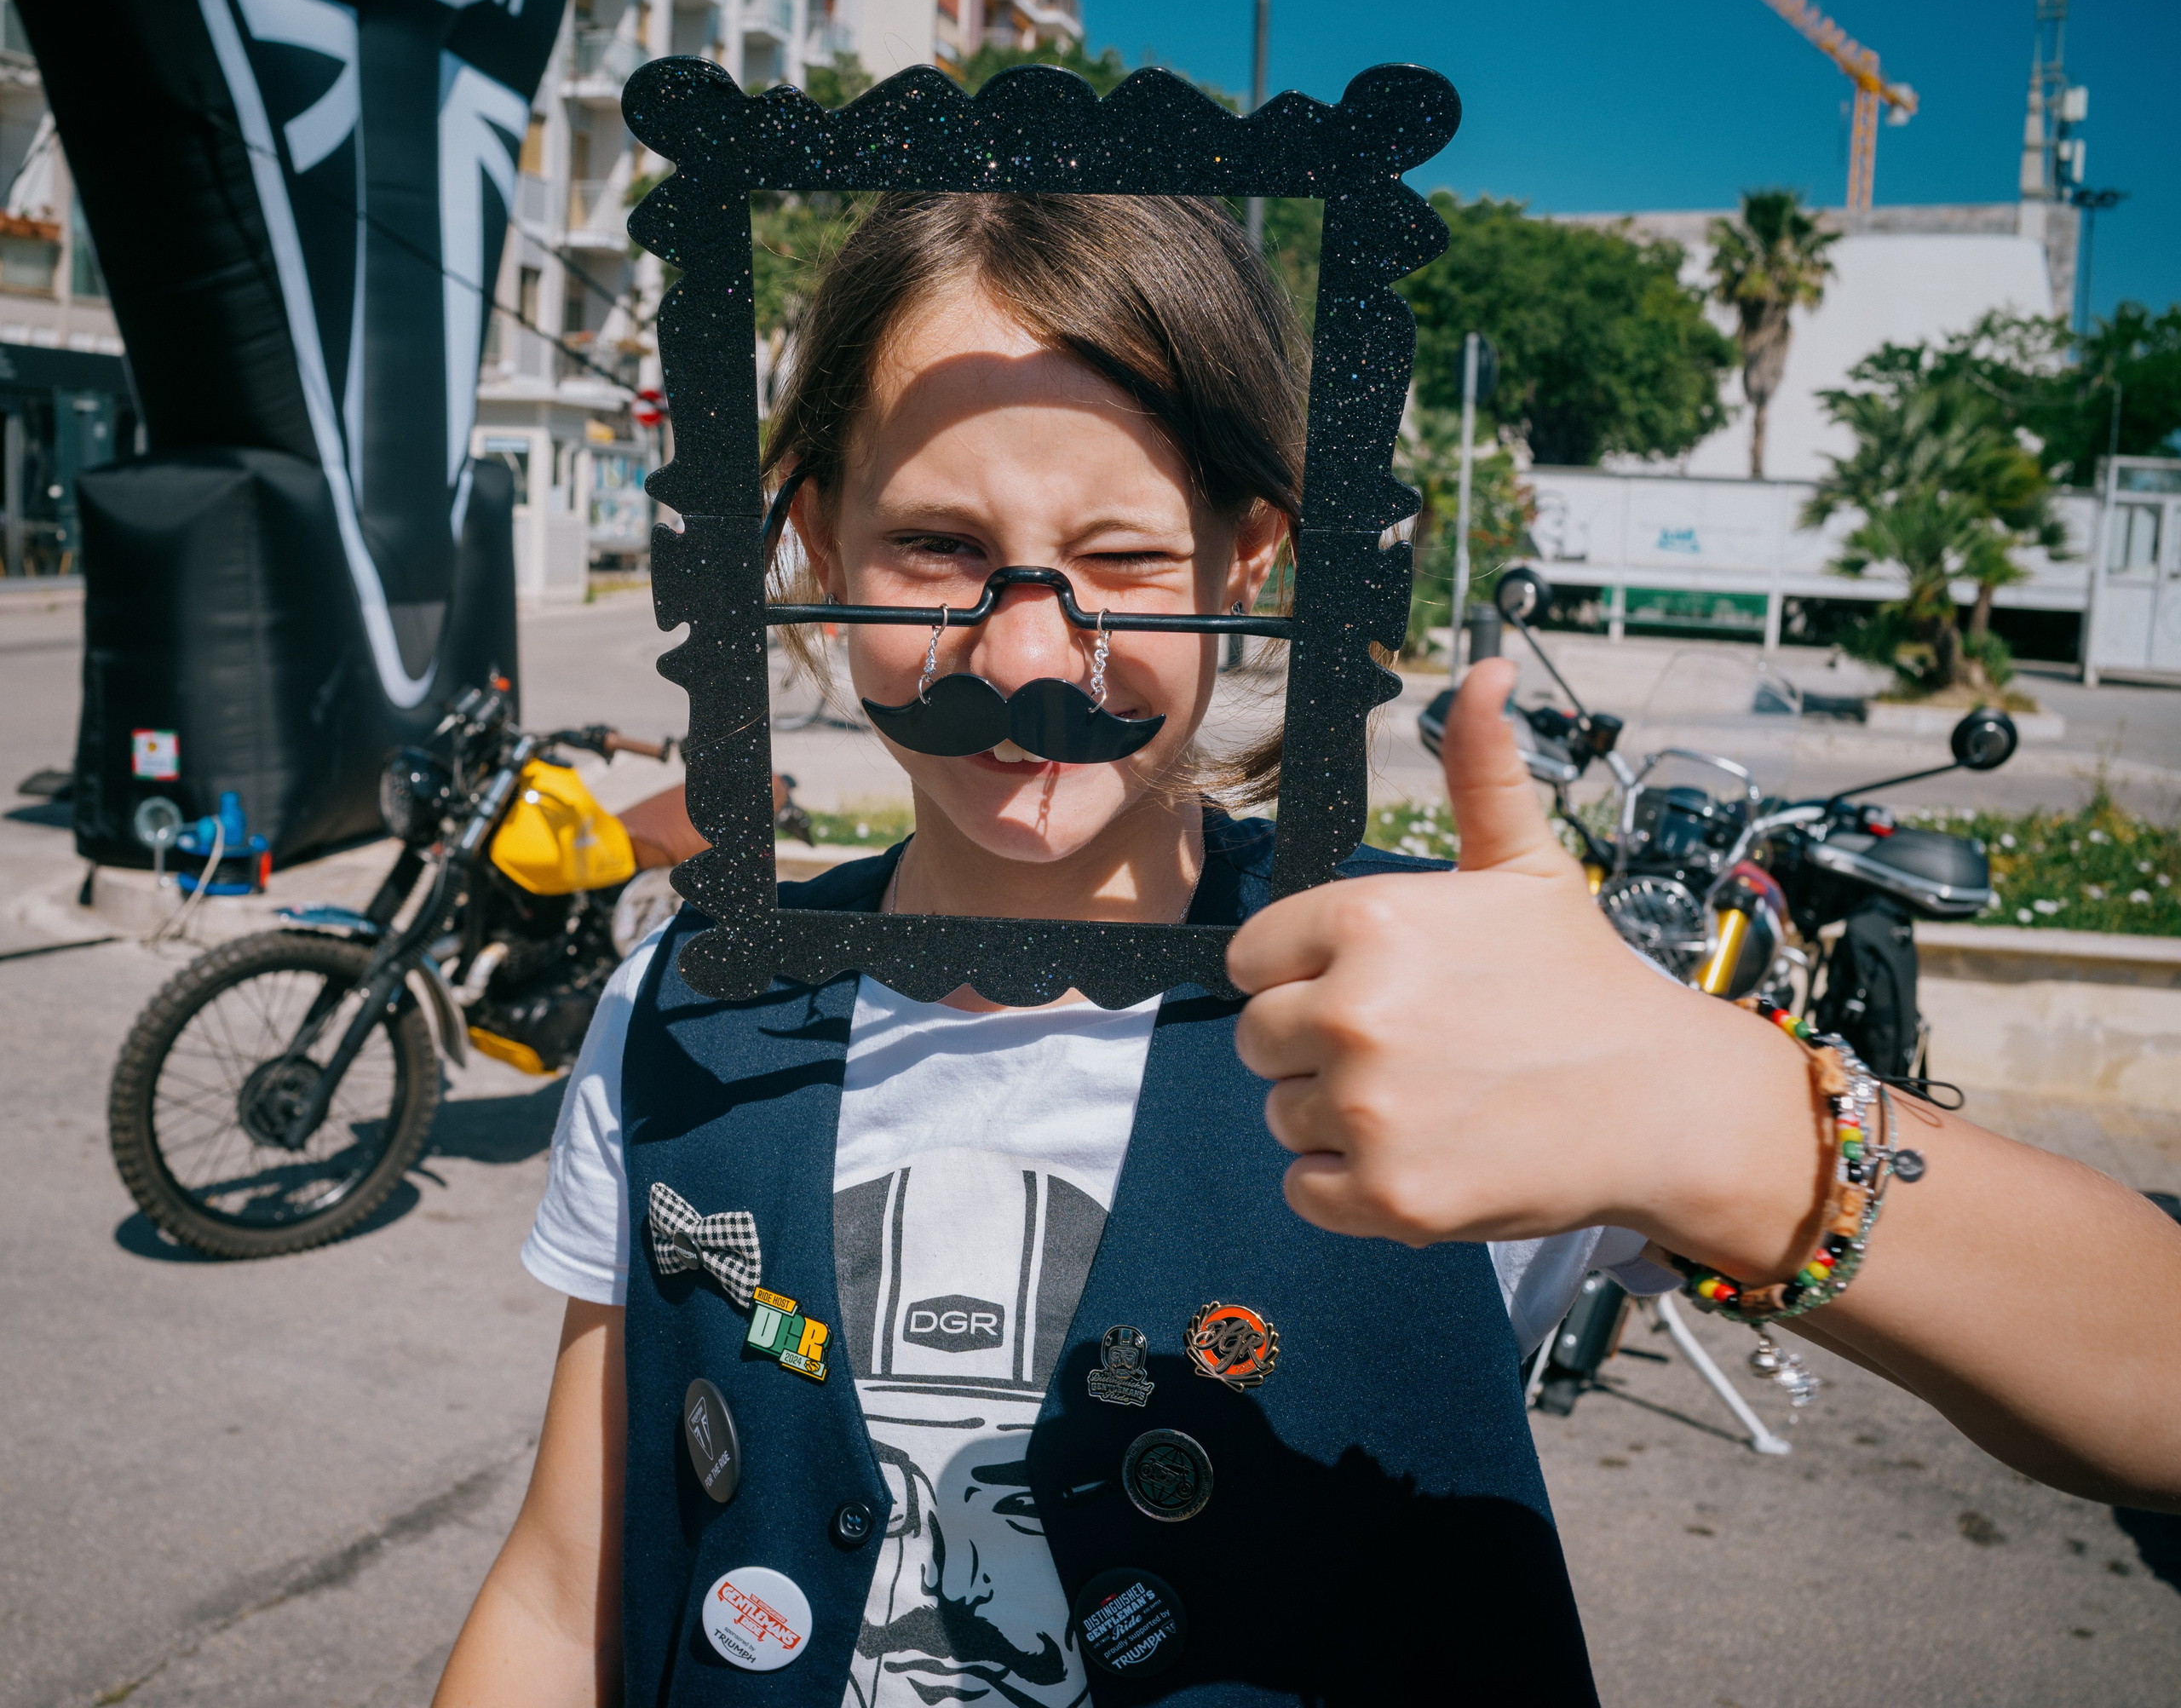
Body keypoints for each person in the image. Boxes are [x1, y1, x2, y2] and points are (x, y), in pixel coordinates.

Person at [435, 192, 1641, 1707]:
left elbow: (2042, 1359)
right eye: (939, 546)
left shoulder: (1438, 1004)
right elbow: (564, 1589)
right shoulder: (688, 1007)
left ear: (1246, 559)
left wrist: (1736, 1130)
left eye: (1123, 556)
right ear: (818, 541)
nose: (1020, 658)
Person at [1229, 653, 2181, 1517]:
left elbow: (2152, 1374)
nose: (1072, 650)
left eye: (1126, 556)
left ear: (1254, 552)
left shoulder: (1447, 974)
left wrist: (1708, 1109)